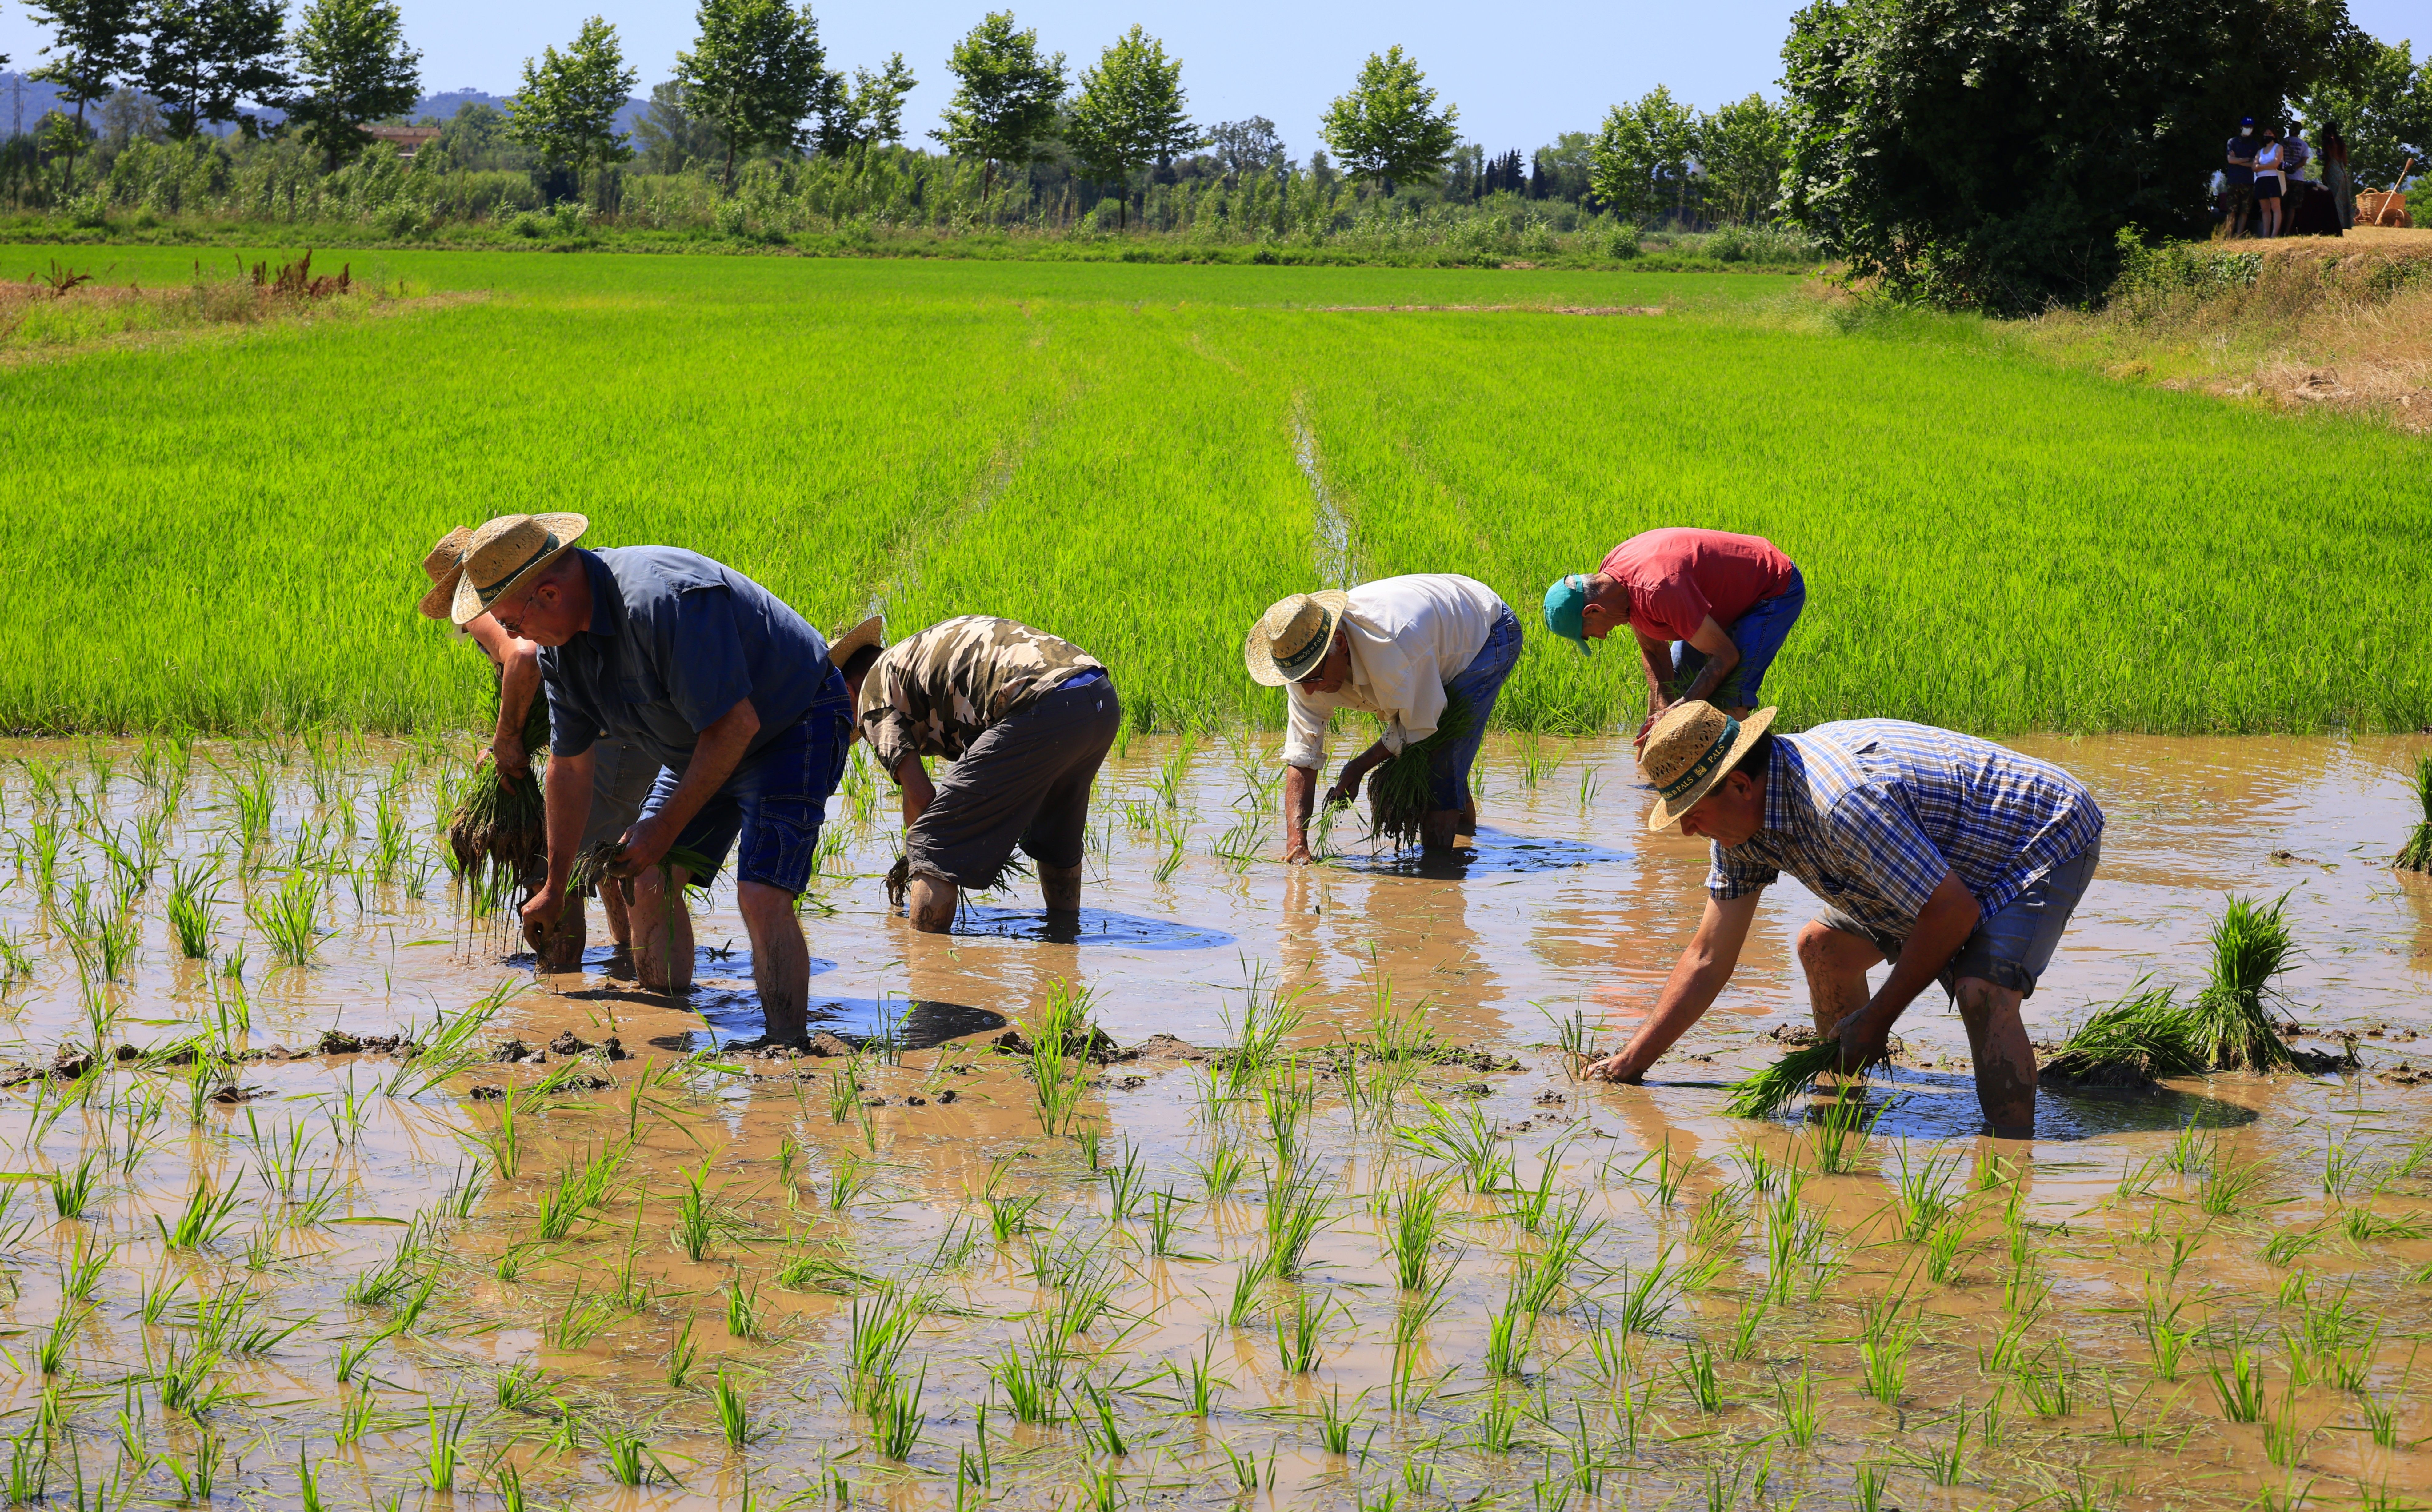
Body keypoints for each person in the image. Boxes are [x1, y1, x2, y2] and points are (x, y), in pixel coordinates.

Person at [1582, 701, 2104, 1137]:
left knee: (1980, 992)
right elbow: (1707, 956)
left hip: (2032, 835)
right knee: (1822, 948)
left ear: (1740, 786)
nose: (1686, 830)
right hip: (1930, 861)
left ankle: (2009, 1161)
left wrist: (1877, 1019)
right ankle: (1840, 1116)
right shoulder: (1740, 829)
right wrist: (1630, 1063)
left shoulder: (1840, 802)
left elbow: (1951, 914)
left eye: (1691, 810)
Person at [455, 513, 853, 1047]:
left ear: (547, 595)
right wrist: (555, 886)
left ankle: (785, 1047)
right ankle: (670, 1019)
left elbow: (736, 725)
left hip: (791, 721)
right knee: (646, 878)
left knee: (760, 893)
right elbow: (570, 767)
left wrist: (661, 828)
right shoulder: (559, 651)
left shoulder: (663, 603)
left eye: (509, 622)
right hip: (699, 740)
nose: (511, 637)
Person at [416, 527, 651, 971]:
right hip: (608, 725)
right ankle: (628, 953)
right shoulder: (511, 600)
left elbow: (524, 658)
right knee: (604, 848)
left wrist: (506, 742)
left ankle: (560, 985)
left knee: (560, 863)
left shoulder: (481, 609)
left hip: (603, 733)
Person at [837, 613, 1120, 933]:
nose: (852, 726)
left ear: (847, 691)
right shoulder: (910, 659)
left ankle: (927, 968)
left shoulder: (871, 695)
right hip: (1097, 696)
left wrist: (917, 859)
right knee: (1055, 837)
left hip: (1041, 703)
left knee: (932, 844)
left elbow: (919, 795)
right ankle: (1065, 939)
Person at [1247, 574, 1522, 860]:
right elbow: (1302, 754)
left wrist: (1358, 766)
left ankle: (1441, 874)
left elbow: (1422, 725)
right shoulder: (1305, 659)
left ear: (1340, 643)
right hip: (1432, 640)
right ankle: (1464, 840)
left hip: (1486, 631)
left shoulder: (1393, 646)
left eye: (1314, 677)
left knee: (1442, 761)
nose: (1309, 690)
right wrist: (1297, 845)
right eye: (1299, 680)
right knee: (1447, 761)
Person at [1542, 528, 1805, 748]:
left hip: (1771, 587)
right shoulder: (1616, 591)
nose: (1601, 637)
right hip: (1713, 601)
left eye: (1590, 634)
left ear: (1593, 610)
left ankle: (1745, 779)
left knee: (1729, 695)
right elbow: (1655, 652)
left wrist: (1679, 709)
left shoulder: (1658, 591)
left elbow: (1726, 656)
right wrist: (1659, 719)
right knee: (1681, 687)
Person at [2225, 116, 2258, 237]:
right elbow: (2230, 160)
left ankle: (2238, 236)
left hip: (2248, 181)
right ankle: (2228, 236)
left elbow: (2254, 164)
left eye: (2250, 127)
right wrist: (2245, 160)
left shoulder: (2255, 145)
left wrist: (2238, 159)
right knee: (2232, 210)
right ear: (2241, 127)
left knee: (2245, 211)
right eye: (2246, 127)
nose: (2248, 129)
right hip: (2234, 181)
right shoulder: (2232, 142)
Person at [2322, 119, 2356, 231]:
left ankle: (2334, 225)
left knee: (2333, 199)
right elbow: (2345, 162)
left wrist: (2324, 174)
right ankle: (2343, 224)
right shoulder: (2341, 142)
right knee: (2343, 199)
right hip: (2343, 173)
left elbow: (2330, 159)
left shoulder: (2328, 142)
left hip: (2334, 172)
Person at [2253, 127, 2285, 238]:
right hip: (2261, 180)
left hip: (2273, 179)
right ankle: (2266, 234)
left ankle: (2274, 234)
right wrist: (2265, 166)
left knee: (2275, 208)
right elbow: (2254, 167)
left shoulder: (2278, 148)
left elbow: (2275, 164)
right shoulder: (2260, 151)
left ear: (2274, 136)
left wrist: (2260, 166)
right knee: (2265, 209)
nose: (2268, 135)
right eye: (2266, 133)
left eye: (2270, 133)